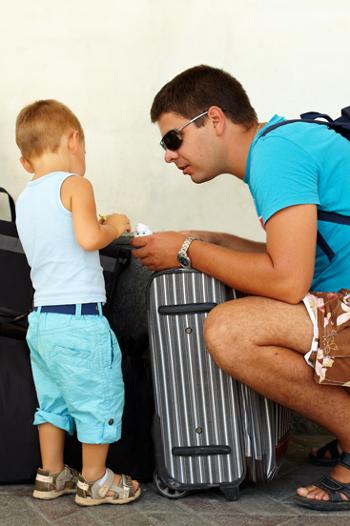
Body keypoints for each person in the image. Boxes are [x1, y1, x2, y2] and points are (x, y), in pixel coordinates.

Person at [132, 65, 350, 511]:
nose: (169, 156)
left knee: (230, 328)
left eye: (173, 139)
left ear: (214, 119)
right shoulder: (284, 143)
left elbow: (288, 282)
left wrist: (189, 250)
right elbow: (294, 258)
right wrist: (211, 241)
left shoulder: (276, 156)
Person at [15, 100, 141, 506]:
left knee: (52, 402)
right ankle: (96, 479)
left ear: (23, 160)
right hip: (79, 321)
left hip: (42, 323)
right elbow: (89, 238)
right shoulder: (75, 184)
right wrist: (115, 224)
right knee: (97, 396)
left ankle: (51, 474)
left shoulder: (28, 196)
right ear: (74, 140)